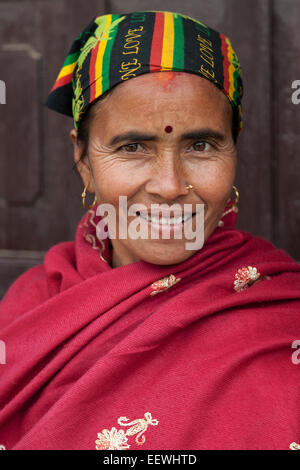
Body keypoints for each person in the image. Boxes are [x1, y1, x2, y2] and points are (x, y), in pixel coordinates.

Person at [0, 10, 299, 451]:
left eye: (201, 145)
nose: (170, 186)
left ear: (233, 151)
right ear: (83, 160)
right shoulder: (32, 307)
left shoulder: (282, 319)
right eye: (132, 147)